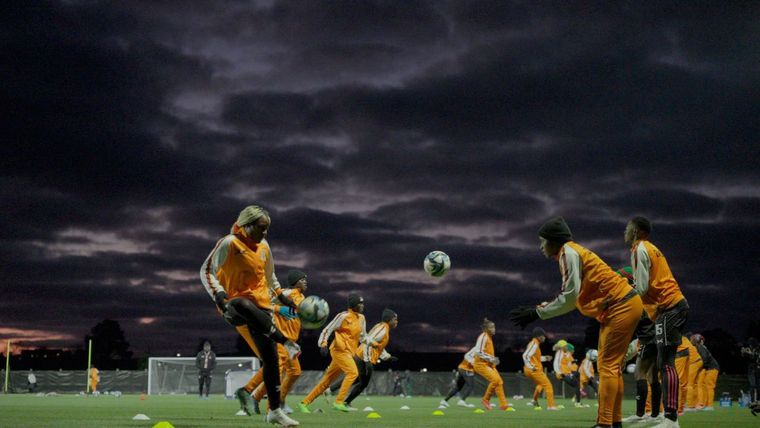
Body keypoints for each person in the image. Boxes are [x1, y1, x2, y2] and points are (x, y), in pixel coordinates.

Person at [510, 217, 643, 428]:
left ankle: (605, 424)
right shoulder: (571, 252)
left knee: (607, 366)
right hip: (624, 304)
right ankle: (613, 422)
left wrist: (537, 312)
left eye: (543, 241)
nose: (541, 245)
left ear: (554, 241)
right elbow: (572, 295)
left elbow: (569, 297)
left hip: (620, 305)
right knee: (612, 367)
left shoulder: (568, 253)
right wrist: (540, 309)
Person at [200, 205, 300, 427]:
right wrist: (218, 293)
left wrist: (281, 296)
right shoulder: (229, 243)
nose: (265, 233)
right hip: (234, 307)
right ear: (247, 225)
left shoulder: (264, 246)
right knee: (243, 303)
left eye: (267, 229)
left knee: (272, 360)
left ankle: (274, 411)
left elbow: (270, 276)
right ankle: (285, 340)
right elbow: (206, 271)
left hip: (262, 309)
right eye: (261, 228)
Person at [626, 216, 688, 428]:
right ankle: (665, 415)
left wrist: (621, 299)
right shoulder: (651, 248)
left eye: (628, 228)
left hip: (669, 307)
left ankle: (671, 419)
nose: (625, 231)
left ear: (636, 231)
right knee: (662, 364)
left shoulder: (639, 249)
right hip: (670, 306)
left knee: (665, 363)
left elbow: (641, 288)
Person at [243, 269, 310, 415]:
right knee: (275, 370)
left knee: (295, 372)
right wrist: (278, 308)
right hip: (280, 338)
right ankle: (272, 408)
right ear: (294, 281)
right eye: (302, 279)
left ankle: (257, 396)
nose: (305, 281)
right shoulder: (285, 294)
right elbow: (264, 304)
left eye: (306, 279)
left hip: (291, 341)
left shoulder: (302, 297)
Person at [298, 293, 371, 413]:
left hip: (348, 353)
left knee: (326, 381)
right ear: (353, 305)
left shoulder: (362, 318)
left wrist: (372, 342)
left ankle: (304, 403)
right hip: (339, 351)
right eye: (360, 303)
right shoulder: (343, 316)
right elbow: (327, 329)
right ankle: (339, 402)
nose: (362, 305)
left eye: (363, 303)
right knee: (353, 373)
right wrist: (323, 344)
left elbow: (363, 337)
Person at [341, 309, 399, 409]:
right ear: (389, 320)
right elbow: (369, 343)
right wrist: (367, 361)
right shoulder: (383, 329)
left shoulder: (382, 327)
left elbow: (378, 347)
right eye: (395, 319)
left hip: (361, 355)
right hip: (362, 357)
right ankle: (344, 401)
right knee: (362, 382)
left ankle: (333, 391)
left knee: (357, 379)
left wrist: (387, 357)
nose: (396, 321)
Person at [472, 318, 511, 411]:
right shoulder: (483, 337)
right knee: (495, 380)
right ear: (486, 329)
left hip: (488, 364)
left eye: (494, 327)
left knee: (499, 382)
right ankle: (486, 399)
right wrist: (491, 359)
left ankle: (503, 405)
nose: (494, 329)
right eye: (492, 327)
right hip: (480, 364)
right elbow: (478, 352)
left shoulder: (489, 337)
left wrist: (492, 360)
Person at [523, 327, 558, 410]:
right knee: (548, 385)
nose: (545, 337)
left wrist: (545, 358)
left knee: (541, 384)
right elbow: (525, 355)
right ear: (538, 336)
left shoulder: (534, 344)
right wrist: (531, 367)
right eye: (543, 336)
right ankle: (551, 406)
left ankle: (534, 400)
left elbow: (535, 358)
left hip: (530, 369)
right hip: (533, 369)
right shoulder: (534, 343)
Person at [695, 336, 719, 410]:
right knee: (705, 386)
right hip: (710, 368)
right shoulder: (702, 347)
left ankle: (710, 405)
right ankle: (705, 404)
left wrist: (698, 367)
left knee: (709, 386)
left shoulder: (701, 348)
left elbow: (704, 359)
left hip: (712, 368)